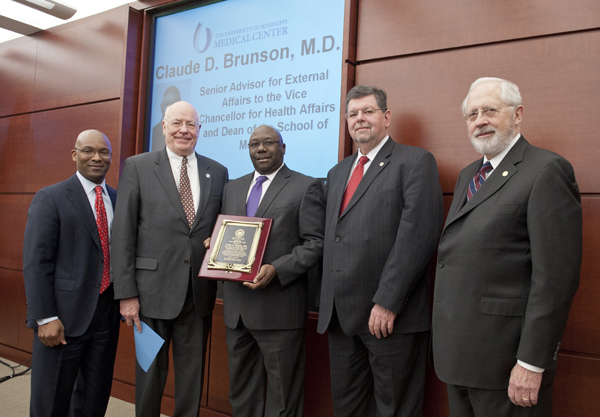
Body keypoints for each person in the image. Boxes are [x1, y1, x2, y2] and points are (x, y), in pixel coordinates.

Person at [432, 77, 582, 417]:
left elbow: (555, 280)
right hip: (459, 358)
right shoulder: (469, 175)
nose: (480, 120)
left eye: (490, 110)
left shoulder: (546, 171)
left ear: (517, 114)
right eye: (472, 114)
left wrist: (532, 361)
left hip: (507, 364)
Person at [317, 85, 444, 417]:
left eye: (368, 111)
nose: (360, 119)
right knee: (348, 408)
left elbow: (418, 237)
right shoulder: (337, 172)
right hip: (341, 320)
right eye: (353, 114)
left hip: (389, 318)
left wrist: (388, 301)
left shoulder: (415, 162)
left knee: (395, 409)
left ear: (386, 118)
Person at [112, 101, 228, 417]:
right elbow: (122, 234)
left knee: (191, 379)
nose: (184, 130)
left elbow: (221, 230)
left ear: (200, 130)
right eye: (177, 123)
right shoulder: (138, 166)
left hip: (197, 295)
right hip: (148, 296)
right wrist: (126, 295)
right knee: (149, 377)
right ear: (164, 127)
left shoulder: (217, 172)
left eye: (191, 125)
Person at [214, 125, 325, 417]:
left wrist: (277, 268)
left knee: (283, 399)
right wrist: (215, 245)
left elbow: (315, 243)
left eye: (268, 143)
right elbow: (229, 238)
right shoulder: (233, 187)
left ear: (283, 147)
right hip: (237, 311)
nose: (260, 149)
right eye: (254, 144)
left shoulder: (306, 186)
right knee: (242, 394)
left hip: (280, 310)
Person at [23, 129, 119, 417]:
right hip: (61, 319)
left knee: (94, 396)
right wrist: (45, 317)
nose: (97, 157)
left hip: (106, 315)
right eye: (88, 150)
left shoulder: (117, 197)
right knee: (52, 398)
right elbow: (36, 262)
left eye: (104, 152)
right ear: (74, 155)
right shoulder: (50, 197)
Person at [151, 86, 181, 151]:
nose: (171, 106)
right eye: (167, 103)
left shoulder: (188, 131)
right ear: (162, 107)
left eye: (175, 102)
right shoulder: (153, 132)